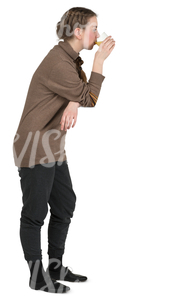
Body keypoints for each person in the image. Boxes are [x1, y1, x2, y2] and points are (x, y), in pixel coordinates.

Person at [12, 7, 115, 293]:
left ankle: (55, 266)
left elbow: (80, 93)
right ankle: (36, 277)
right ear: (78, 32)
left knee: (65, 203)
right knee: (34, 213)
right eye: (94, 28)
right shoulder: (59, 62)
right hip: (35, 145)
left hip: (52, 144)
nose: (98, 33)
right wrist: (100, 61)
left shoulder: (69, 60)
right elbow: (90, 97)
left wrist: (73, 101)